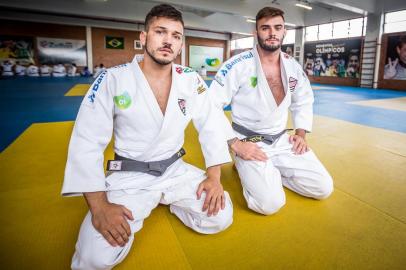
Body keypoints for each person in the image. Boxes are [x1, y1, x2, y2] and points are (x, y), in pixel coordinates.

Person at [62, 4, 233, 269]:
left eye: (176, 36)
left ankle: (173, 200)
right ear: (143, 38)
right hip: (130, 176)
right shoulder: (112, 79)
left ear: (180, 44)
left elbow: (211, 125)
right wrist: (100, 208)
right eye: (160, 32)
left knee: (220, 216)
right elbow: (86, 141)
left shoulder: (190, 79)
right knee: (93, 258)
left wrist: (214, 177)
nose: (168, 41)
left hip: (176, 170)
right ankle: (152, 201)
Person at [209, 6, 333, 216]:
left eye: (278, 27)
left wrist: (301, 133)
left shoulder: (292, 66)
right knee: (270, 204)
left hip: (282, 140)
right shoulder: (237, 66)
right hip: (249, 142)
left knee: (323, 188)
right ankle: (243, 166)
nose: (272, 32)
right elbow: (210, 106)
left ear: (284, 31)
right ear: (255, 32)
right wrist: (236, 144)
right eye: (265, 28)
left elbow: (303, 100)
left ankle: (270, 171)